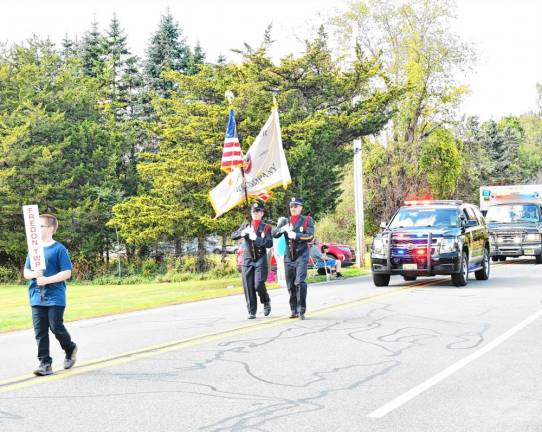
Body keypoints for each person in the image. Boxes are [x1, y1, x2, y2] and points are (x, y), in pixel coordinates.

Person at [23, 213, 77, 376]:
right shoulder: (34, 250)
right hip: (36, 296)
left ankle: (70, 348)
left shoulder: (59, 249)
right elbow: (26, 272)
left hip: (55, 297)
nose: (37, 229)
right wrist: (34, 274)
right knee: (40, 331)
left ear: (51, 229)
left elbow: (67, 272)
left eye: (40, 226)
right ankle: (45, 364)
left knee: (55, 327)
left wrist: (46, 280)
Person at [273, 197, 314, 320]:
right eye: (291, 206)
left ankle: (301, 309)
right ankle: (293, 309)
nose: (293, 208)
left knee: (300, 282)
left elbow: (310, 236)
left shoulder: (307, 220)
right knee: (290, 284)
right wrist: (282, 229)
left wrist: (296, 235)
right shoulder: (285, 221)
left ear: (301, 207)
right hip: (288, 257)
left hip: (301, 255)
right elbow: (274, 234)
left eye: (296, 206)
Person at [232, 202, 273, 319]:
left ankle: (265, 300)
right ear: (251, 213)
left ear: (262, 213)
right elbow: (233, 235)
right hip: (248, 258)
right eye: (254, 211)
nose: (256, 213)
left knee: (258, 283)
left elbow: (269, 242)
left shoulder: (266, 227)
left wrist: (257, 238)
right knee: (248, 285)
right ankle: (252, 311)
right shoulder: (246, 225)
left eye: (258, 211)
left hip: (260, 258)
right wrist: (242, 233)